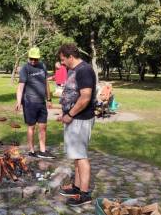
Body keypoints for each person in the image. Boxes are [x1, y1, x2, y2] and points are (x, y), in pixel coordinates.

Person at [57, 44, 96, 206]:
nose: (62, 63)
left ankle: (85, 194)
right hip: (73, 118)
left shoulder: (84, 70)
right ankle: (77, 187)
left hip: (80, 119)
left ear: (70, 57)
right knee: (76, 155)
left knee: (81, 156)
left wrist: (70, 115)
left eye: (63, 59)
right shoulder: (75, 69)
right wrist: (65, 113)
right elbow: (73, 93)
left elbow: (85, 97)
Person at [15, 47, 55, 159]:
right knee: (31, 127)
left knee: (43, 127)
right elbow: (21, 86)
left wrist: (49, 99)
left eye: (35, 59)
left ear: (39, 58)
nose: (33, 61)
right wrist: (19, 101)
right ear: (29, 57)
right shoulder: (25, 68)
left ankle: (42, 150)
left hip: (41, 102)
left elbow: (46, 83)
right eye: (31, 59)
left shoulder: (42, 66)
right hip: (29, 103)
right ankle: (31, 150)